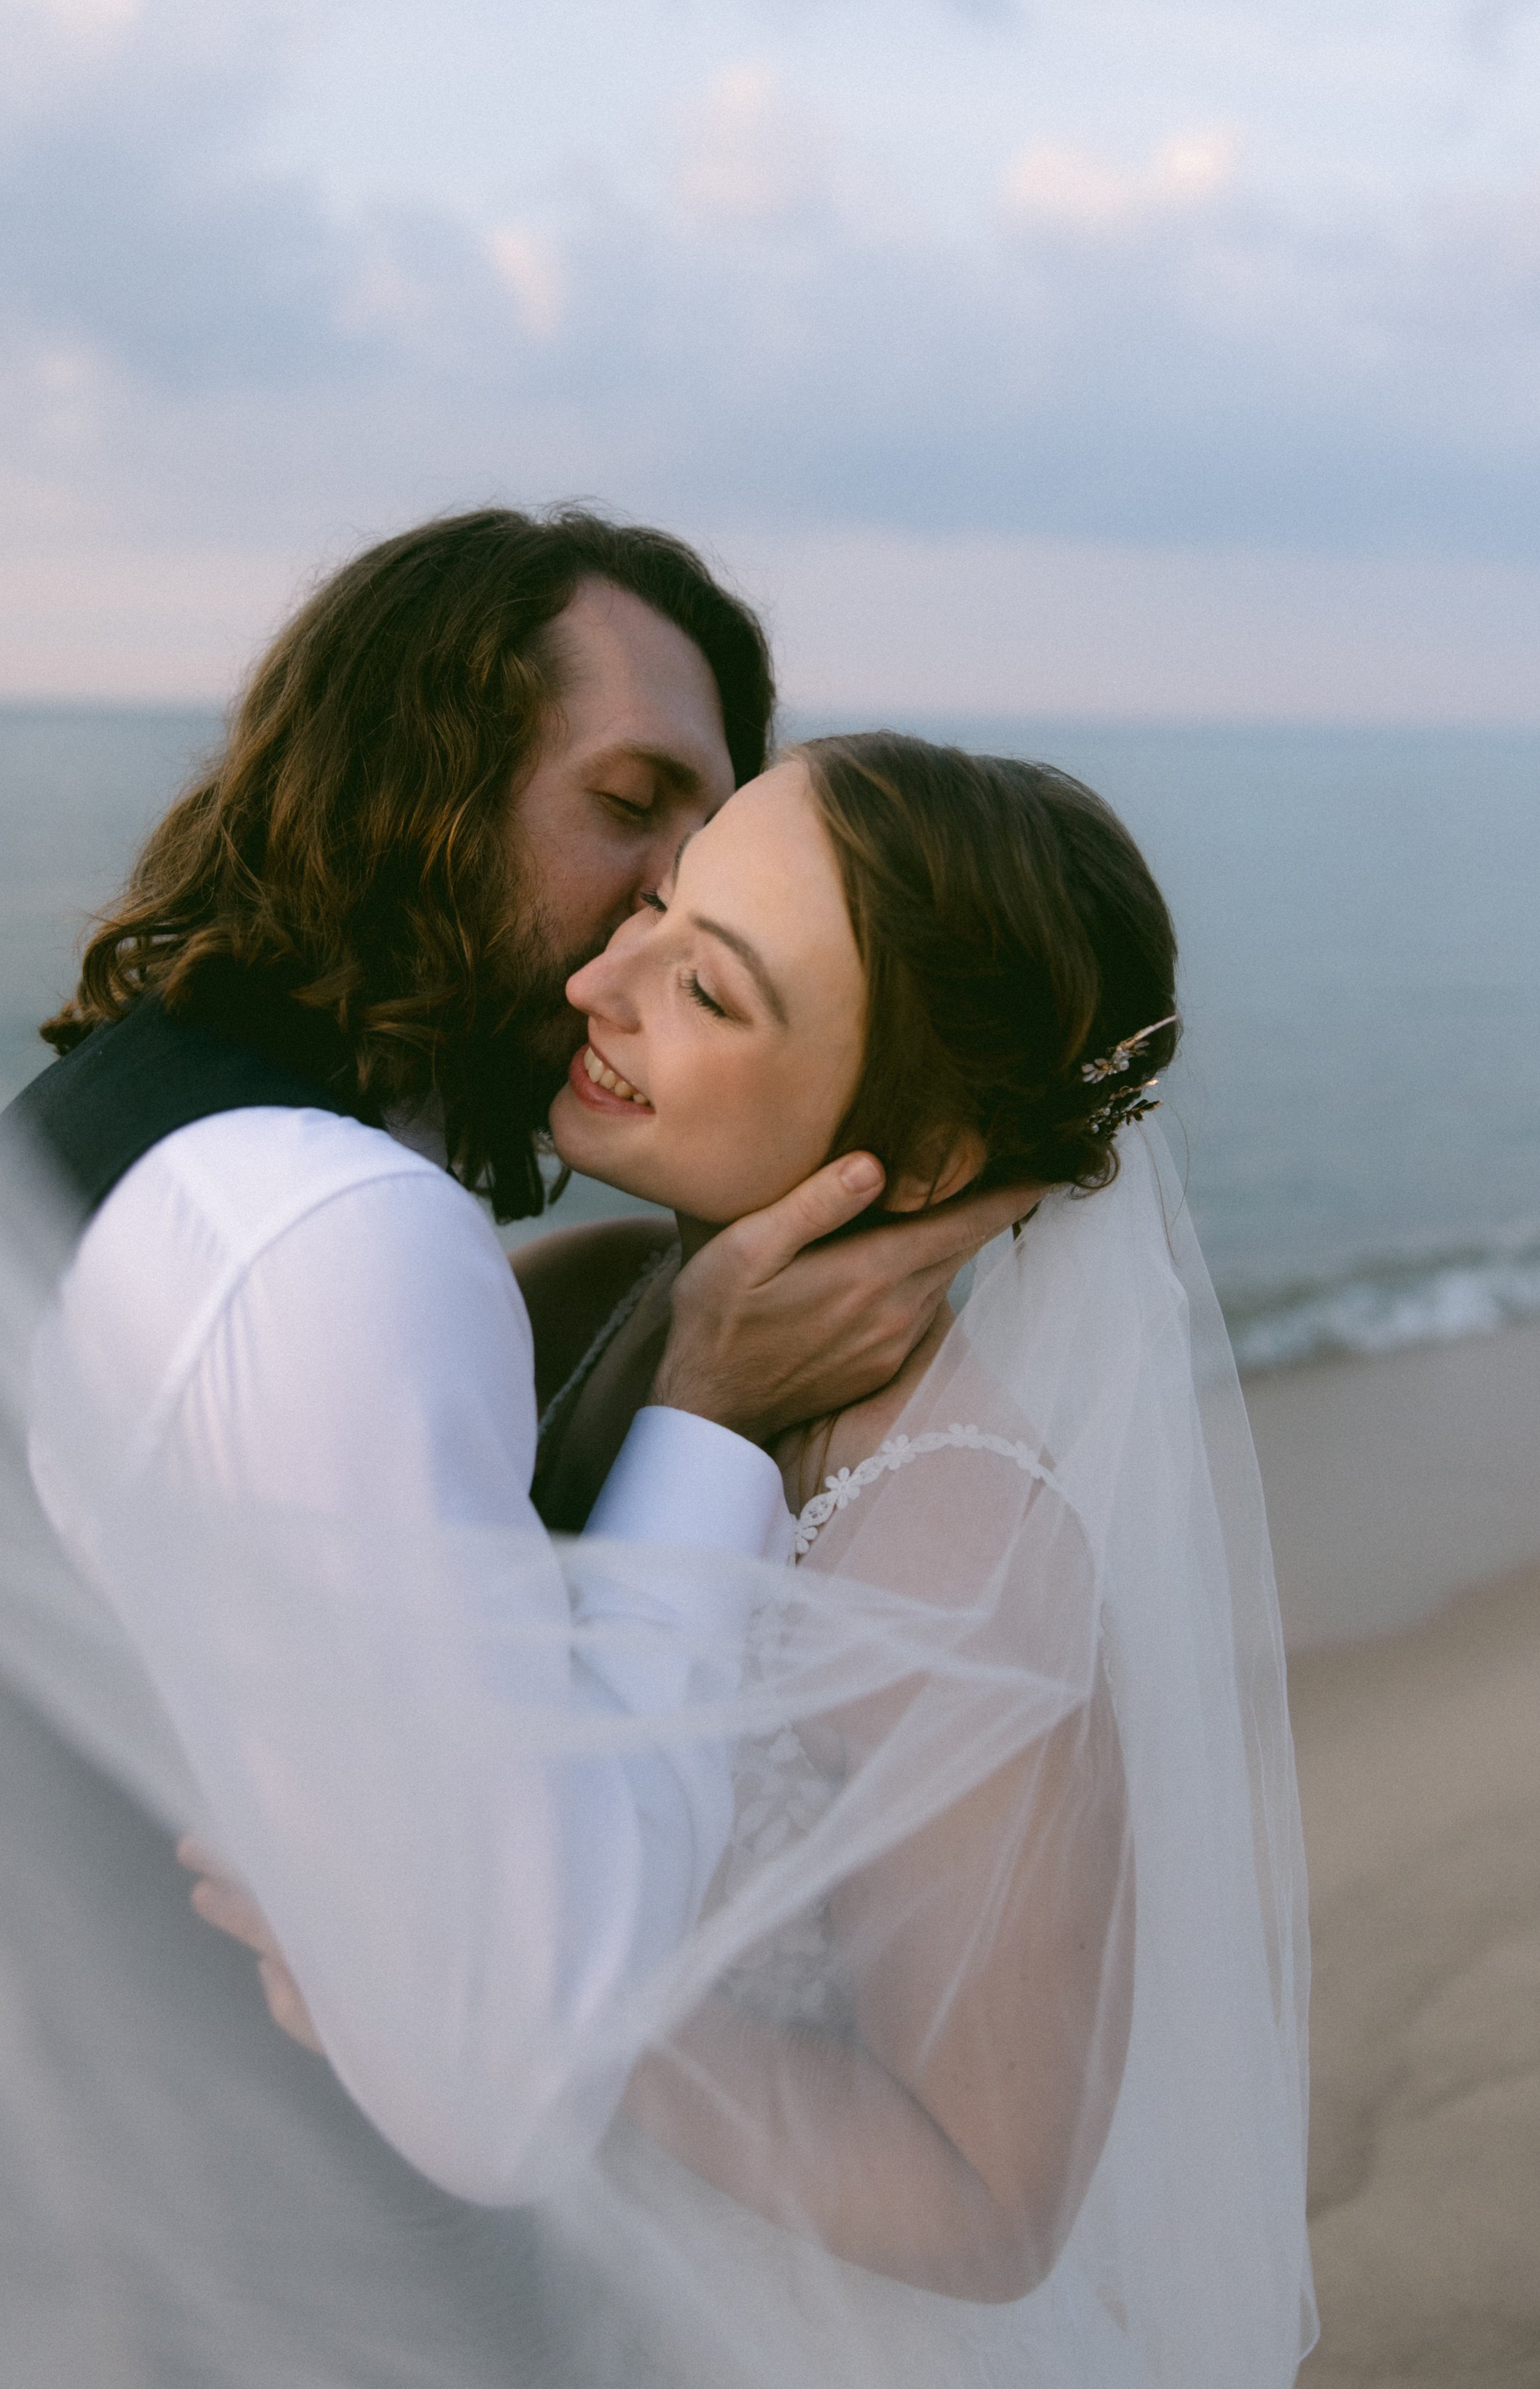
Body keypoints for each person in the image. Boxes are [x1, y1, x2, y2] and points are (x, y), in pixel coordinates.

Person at [0, 512, 1030, 2389]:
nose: (660, 914)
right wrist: (711, 1423)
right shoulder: (327, 1227)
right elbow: (512, 2073)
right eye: (628, 806)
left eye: (707, 843)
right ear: (410, 791)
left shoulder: (142, 1128)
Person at [188, 733, 1316, 2386]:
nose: (594, 977)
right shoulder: (599, 1300)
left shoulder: (948, 1528)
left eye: (707, 993)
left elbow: (987, 2204)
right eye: (655, 905)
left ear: (919, 1164)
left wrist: (491, 1964)